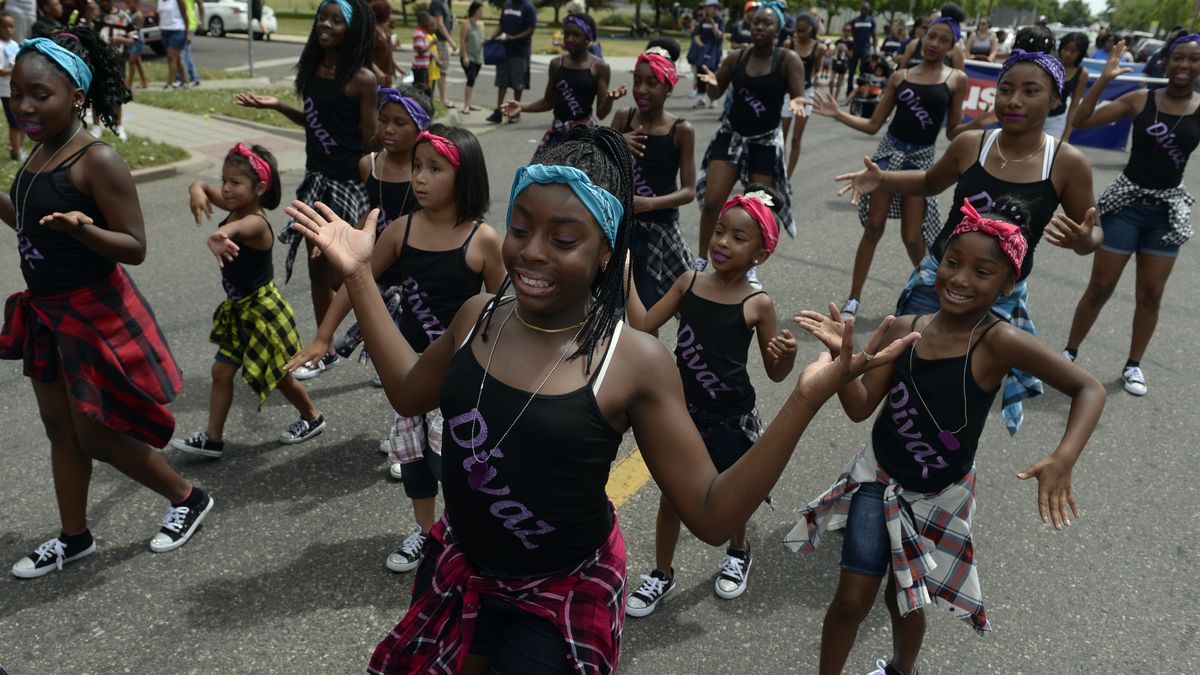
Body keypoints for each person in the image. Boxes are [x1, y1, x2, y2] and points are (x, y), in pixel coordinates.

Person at [285, 122, 918, 675]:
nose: (532, 251)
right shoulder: (480, 314)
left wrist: (804, 400)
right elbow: (405, 389)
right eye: (522, 228)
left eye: (564, 239)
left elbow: (710, 512)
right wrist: (359, 274)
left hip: (560, 593)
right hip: (462, 566)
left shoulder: (632, 361)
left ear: (607, 254)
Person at [788, 197, 1105, 675]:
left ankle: (901, 669)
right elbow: (858, 408)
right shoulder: (906, 328)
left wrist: (1063, 457)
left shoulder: (998, 340)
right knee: (852, 599)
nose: (959, 279)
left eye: (982, 271)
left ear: (1008, 284)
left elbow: (1089, 388)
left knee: (906, 600)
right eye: (953, 263)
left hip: (940, 494)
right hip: (879, 479)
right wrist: (843, 366)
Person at [1, 29, 213, 579]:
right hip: (45, 311)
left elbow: (136, 247)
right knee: (60, 430)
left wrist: (85, 230)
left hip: (91, 310)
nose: (24, 104)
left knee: (95, 433)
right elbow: (30, 223)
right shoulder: (43, 151)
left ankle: (187, 497)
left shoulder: (98, 161)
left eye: (39, 94)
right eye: (16, 91)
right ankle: (75, 537)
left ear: (76, 96)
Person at [835, 48, 1102, 434]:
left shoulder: (1066, 163)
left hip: (998, 297)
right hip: (936, 282)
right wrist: (883, 180)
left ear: (1055, 99)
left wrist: (1082, 239)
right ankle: (888, 456)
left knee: (958, 391)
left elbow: (1094, 232)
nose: (1013, 100)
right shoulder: (971, 145)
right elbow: (930, 182)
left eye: (1030, 91)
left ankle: (941, 467)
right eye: (1005, 89)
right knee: (904, 376)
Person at [289, 125, 503, 576]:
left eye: (434, 169)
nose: (420, 178)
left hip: (460, 380)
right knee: (414, 462)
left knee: (453, 464)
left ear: (465, 178)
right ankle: (426, 534)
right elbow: (356, 279)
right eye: (417, 168)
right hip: (405, 373)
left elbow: (504, 313)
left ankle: (462, 532)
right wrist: (325, 335)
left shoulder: (483, 240)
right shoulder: (401, 230)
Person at [624, 185, 797, 617]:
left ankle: (739, 550)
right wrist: (624, 275)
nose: (722, 242)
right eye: (720, 231)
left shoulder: (758, 305)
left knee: (729, 494)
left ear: (761, 255)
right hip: (684, 413)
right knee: (672, 496)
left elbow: (775, 374)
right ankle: (662, 573)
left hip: (731, 417)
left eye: (739, 238)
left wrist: (786, 358)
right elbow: (644, 323)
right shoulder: (688, 282)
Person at [235, 0, 378, 380]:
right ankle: (325, 347)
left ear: (354, 29)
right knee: (316, 268)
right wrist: (279, 106)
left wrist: (403, 124)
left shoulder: (362, 79)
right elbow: (316, 122)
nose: (324, 25)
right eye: (322, 17)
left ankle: (384, 333)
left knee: (343, 277)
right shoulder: (313, 69)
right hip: (317, 180)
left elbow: (368, 141)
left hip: (349, 184)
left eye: (336, 20)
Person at [813, 17, 982, 321]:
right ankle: (853, 298)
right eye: (931, 36)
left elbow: (953, 131)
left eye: (943, 40)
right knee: (873, 228)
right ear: (921, 36)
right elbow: (873, 125)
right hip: (888, 157)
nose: (934, 44)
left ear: (951, 46)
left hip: (920, 162)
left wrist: (983, 121)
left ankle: (932, 293)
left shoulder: (956, 79)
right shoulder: (899, 76)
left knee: (913, 237)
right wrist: (837, 113)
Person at [1062, 37, 1200, 396]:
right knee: (1100, 287)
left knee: (1151, 294)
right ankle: (1069, 353)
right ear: (1166, 62)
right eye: (1178, 58)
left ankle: (1133, 365)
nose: (1185, 65)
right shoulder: (1141, 99)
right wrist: (1104, 79)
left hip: (1166, 212)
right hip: (1127, 205)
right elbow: (1081, 120)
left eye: (1195, 60)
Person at [171, 144, 326, 457]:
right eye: (224, 180)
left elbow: (233, 229)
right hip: (240, 309)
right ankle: (213, 439)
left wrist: (218, 235)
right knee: (221, 372)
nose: (226, 188)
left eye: (235, 183)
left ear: (259, 189)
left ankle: (312, 417)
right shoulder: (236, 202)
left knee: (279, 376)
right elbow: (202, 187)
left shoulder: (256, 221)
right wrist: (196, 188)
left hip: (263, 311)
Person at [325, 86, 431, 453]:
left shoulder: (427, 175)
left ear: (420, 130)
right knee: (393, 366)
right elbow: (370, 213)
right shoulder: (369, 163)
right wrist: (348, 240)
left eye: (399, 123)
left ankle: (421, 437)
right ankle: (405, 437)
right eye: (383, 120)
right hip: (379, 272)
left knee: (416, 360)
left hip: (416, 280)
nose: (387, 128)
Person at [695, 1, 806, 266]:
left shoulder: (787, 59)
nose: (760, 27)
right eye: (756, 22)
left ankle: (749, 266)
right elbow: (716, 92)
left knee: (758, 210)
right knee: (713, 202)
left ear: (778, 29)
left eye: (767, 23)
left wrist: (797, 101)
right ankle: (701, 259)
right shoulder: (737, 57)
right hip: (732, 135)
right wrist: (711, 84)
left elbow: (798, 94)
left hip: (764, 141)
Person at [613, 38, 696, 311]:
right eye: (637, 81)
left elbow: (689, 191)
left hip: (659, 231)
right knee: (611, 304)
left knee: (650, 308)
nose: (641, 89)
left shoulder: (681, 130)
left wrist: (650, 203)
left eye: (652, 82)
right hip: (621, 226)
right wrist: (616, 142)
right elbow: (600, 168)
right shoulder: (623, 118)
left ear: (669, 87)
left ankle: (648, 353)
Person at [503, 12, 624, 157]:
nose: (569, 39)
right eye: (566, 34)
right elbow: (549, 101)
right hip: (558, 133)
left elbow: (601, 113)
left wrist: (609, 99)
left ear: (588, 38)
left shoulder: (599, 67)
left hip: (583, 136)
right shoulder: (556, 64)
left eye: (576, 34)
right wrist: (522, 106)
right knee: (537, 176)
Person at [782, 11, 823, 178]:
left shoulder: (819, 48)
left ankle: (787, 178)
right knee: (780, 138)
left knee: (796, 139)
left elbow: (817, 69)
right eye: (797, 30)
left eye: (803, 31)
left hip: (805, 94)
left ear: (811, 29)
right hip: (786, 94)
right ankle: (776, 172)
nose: (799, 34)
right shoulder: (788, 44)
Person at [485, 0, 536, 124]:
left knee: (518, 84)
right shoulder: (507, 4)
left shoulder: (528, 7)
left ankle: (515, 111)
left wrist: (514, 38)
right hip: (504, 50)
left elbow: (530, 29)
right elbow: (501, 24)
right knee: (502, 82)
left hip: (520, 52)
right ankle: (499, 111)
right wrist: (492, 37)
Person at [92, 0, 133, 141]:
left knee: (118, 94)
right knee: (98, 93)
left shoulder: (123, 17)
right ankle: (96, 126)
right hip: (99, 60)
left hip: (118, 60)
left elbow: (133, 37)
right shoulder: (95, 16)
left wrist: (122, 39)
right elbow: (85, 32)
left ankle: (119, 125)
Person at [1045, 32, 1088, 142]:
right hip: (1035, 115)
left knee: (1050, 153)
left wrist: (1066, 135)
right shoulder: (1048, 63)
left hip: (1057, 119)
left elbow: (1074, 106)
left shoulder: (1082, 73)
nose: (1067, 53)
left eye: (1073, 51)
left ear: (1081, 53)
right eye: (1065, 48)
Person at [688, 0, 724, 109]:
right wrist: (701, 45)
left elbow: (720, 36)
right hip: (702, 50)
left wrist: (713, 25)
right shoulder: (701, 20)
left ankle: (713, 99)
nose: (708, 9)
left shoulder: (720, 21)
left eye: (710, 7)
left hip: (714, 51)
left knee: (713, 73)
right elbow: (695, 35)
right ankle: (702, 99)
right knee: (700, 73)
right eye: (707, 7)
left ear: (715, 8)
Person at [0, 11, 24, 161]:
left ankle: (20, 150)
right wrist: (15, 70)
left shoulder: (15, 44)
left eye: (11, 26)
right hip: (5, 90)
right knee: (14, 122)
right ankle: (16, 153)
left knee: (22, 121)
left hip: (17, 89)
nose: (9, 29)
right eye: (4, 26)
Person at [155, 0, 187, 89]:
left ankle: (169, 84)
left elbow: (185, 15)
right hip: (165, 31)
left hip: (177, 30)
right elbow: (157, 14)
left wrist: (187, 33)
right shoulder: (159, 1)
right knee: (177, 59)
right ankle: (184, 82)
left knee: (171, 57)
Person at [845, 2, 875, 97]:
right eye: (863, 8)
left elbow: (874, 35)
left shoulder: (871, 20)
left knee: (863, 69)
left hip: (865, 48)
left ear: (869, 9)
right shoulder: (855, 20)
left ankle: (860, 89)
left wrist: (875, 48)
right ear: (860, 9)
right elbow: (847, 28)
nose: (865, 10)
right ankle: (849, 91)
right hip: (855, 47)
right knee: (852, 70)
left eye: (866, 9)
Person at [459, 0, 483, 113]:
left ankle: (469, 103)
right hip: (469, 57)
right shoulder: (466, 24)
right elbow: (462, 40)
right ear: (474, 10)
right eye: (480, 9)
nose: (482, 12)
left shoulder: (481, 24)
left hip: (479, 57)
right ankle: (466, 105)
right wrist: (465, 56)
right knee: (471, 79)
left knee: (472, 81)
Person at [369, 0, 400, 86]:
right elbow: (365, 55)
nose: (391, 15)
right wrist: (377, 71)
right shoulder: (372, 32)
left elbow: (388, 54)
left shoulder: (386, 31)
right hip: (375, 78)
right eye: (389, 12)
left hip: (387, 76)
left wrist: (397, 68)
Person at [124, 0, 148, 90]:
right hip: (131, 40)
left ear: (136, 3)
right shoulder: (128, 13)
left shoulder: (139, 15)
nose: (127, 5)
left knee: (131, 61)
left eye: (129, 3)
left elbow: (136, 29)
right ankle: (144, 82)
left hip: (138, 41)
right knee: (137, 62)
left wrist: (126, 29)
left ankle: (129, 83)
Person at [410, 10, 432, 89]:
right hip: (419, 68)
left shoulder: (423, 33)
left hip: (423, 67)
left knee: (424, 88)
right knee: (420, 89)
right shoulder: (418, 34)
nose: (430, 22)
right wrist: (431, 44)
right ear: (423, 21)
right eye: (428, 20)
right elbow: (420, 51)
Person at [829, 24, 851, 98]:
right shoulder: (838, 41)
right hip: (836, 62)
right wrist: (834, 50)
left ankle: (835, 98)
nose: (846, 32)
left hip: (844, 64)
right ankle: (831, 96)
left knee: (839, 82)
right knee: (831, 81)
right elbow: (833, 52)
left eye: (848, 31)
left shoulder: (851, 43)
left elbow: (851, 55)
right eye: (845, 30)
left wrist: (846, 49)